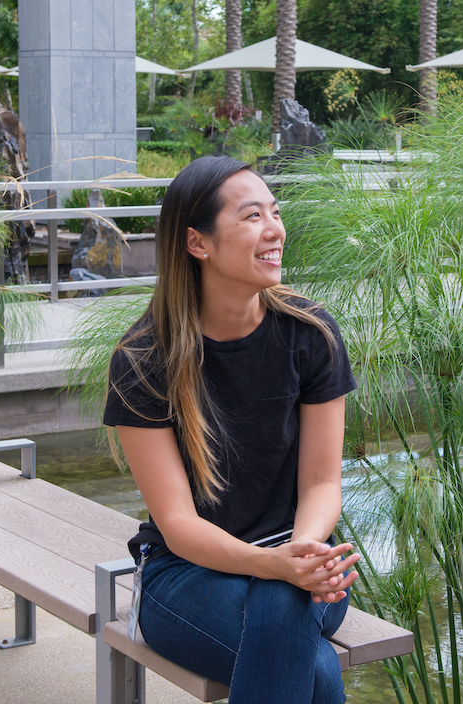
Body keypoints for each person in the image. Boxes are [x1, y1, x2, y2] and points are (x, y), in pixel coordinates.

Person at [104, 155, 361, 704]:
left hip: (304, 554)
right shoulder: (145, 359)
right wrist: (271, 565)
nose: (275, 230)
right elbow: (176, 523)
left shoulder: (310, 334)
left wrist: (303, 552)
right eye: (251, 217)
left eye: (274, 211)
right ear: (199, 244)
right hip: (187, 575)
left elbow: (321, 485)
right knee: (312, 667)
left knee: (283, 601)